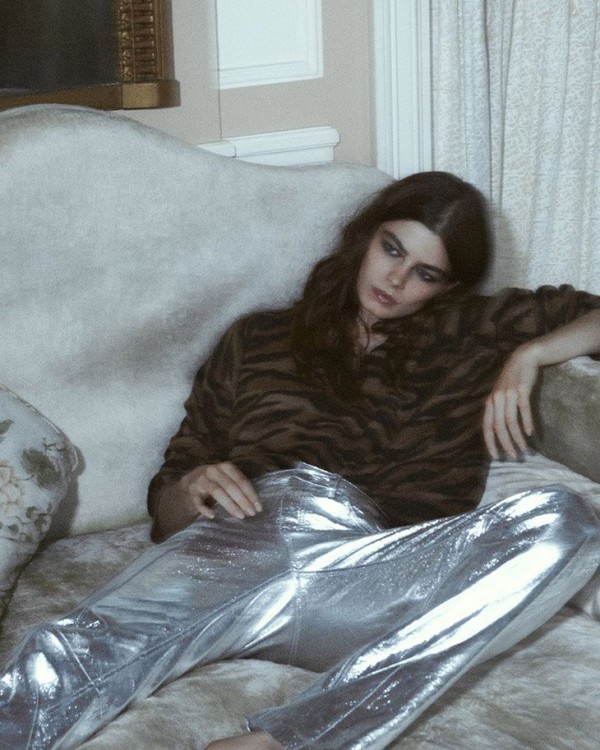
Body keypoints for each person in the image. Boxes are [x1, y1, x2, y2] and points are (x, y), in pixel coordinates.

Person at [1, 172, 599, 750]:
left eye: (425, 274)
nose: (395, 280)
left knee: (565, 521)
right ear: (364, 237)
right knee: (73, 652)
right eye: (391, 249)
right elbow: (169, 503)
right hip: (248, 533)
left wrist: (529, 354)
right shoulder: (257, 338)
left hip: (373, 575)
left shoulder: (475, 333)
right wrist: (193, 486)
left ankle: (291, 737)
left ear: (447, 287)